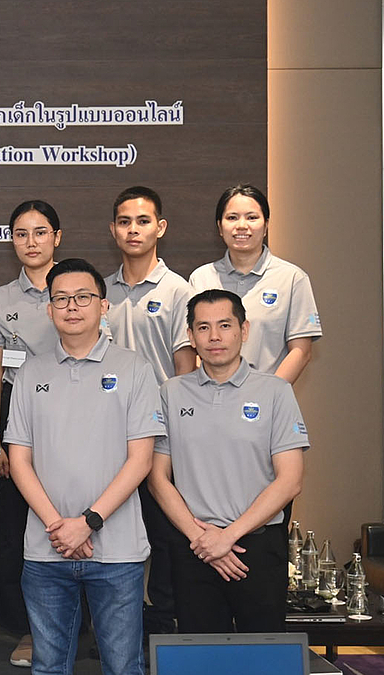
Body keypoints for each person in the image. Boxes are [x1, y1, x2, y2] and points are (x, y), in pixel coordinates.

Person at [5, 258, 165, 675]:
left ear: (103, 305)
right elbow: (19, 460)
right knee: (48, 667)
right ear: (49, 308)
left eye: (82, 297)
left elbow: (141, 459)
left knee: (122, 666)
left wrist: (88, 522)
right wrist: (60, 525)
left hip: (117, 553)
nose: (71, 306)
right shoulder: (29, 373)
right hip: (46, 550)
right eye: (61, 298)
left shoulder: (134, 369)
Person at [149, 289, 307, 633]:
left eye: (224, 325)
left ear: (244, 330)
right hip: (194, 545)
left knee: (263, 655)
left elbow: (290, 480)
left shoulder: (276, 392)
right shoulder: (170, 392)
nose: (214, 337)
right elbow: (157, 478)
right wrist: (203, 540)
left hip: (257, 546)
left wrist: (228, 537)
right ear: (190, 336)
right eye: (203, 328)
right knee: (201, 656)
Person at [0, 200, 64, 667]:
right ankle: (24, 629)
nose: (32, 242)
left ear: (57, 238)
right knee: (12, 529)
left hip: (69, 414)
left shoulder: (77, 290)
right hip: (12, 413)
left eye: (41, 232)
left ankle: (72, 623)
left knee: (66, 518)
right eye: (22, 234)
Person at [103, 186, 197, 638]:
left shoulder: (180, 290)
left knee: (163, 539)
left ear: (159, 227)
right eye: (124, 222)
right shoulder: (100, 291)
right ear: (113, 230)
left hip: (160, 437)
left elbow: (184, 369)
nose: (133, 230)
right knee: (111, 534)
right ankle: (113, 635)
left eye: (142, 221)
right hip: (107, 436)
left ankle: (159, 632)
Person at [188, 184, 321, 383]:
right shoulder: (201, 278)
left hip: (266, 404)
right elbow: (192, 348)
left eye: (252, 217)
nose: (242, 225)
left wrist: (269, 395)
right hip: (210, 399)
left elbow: (301, 352)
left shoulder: (292, 278)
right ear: (219, 227)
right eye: (232, 218)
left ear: (266, 225)